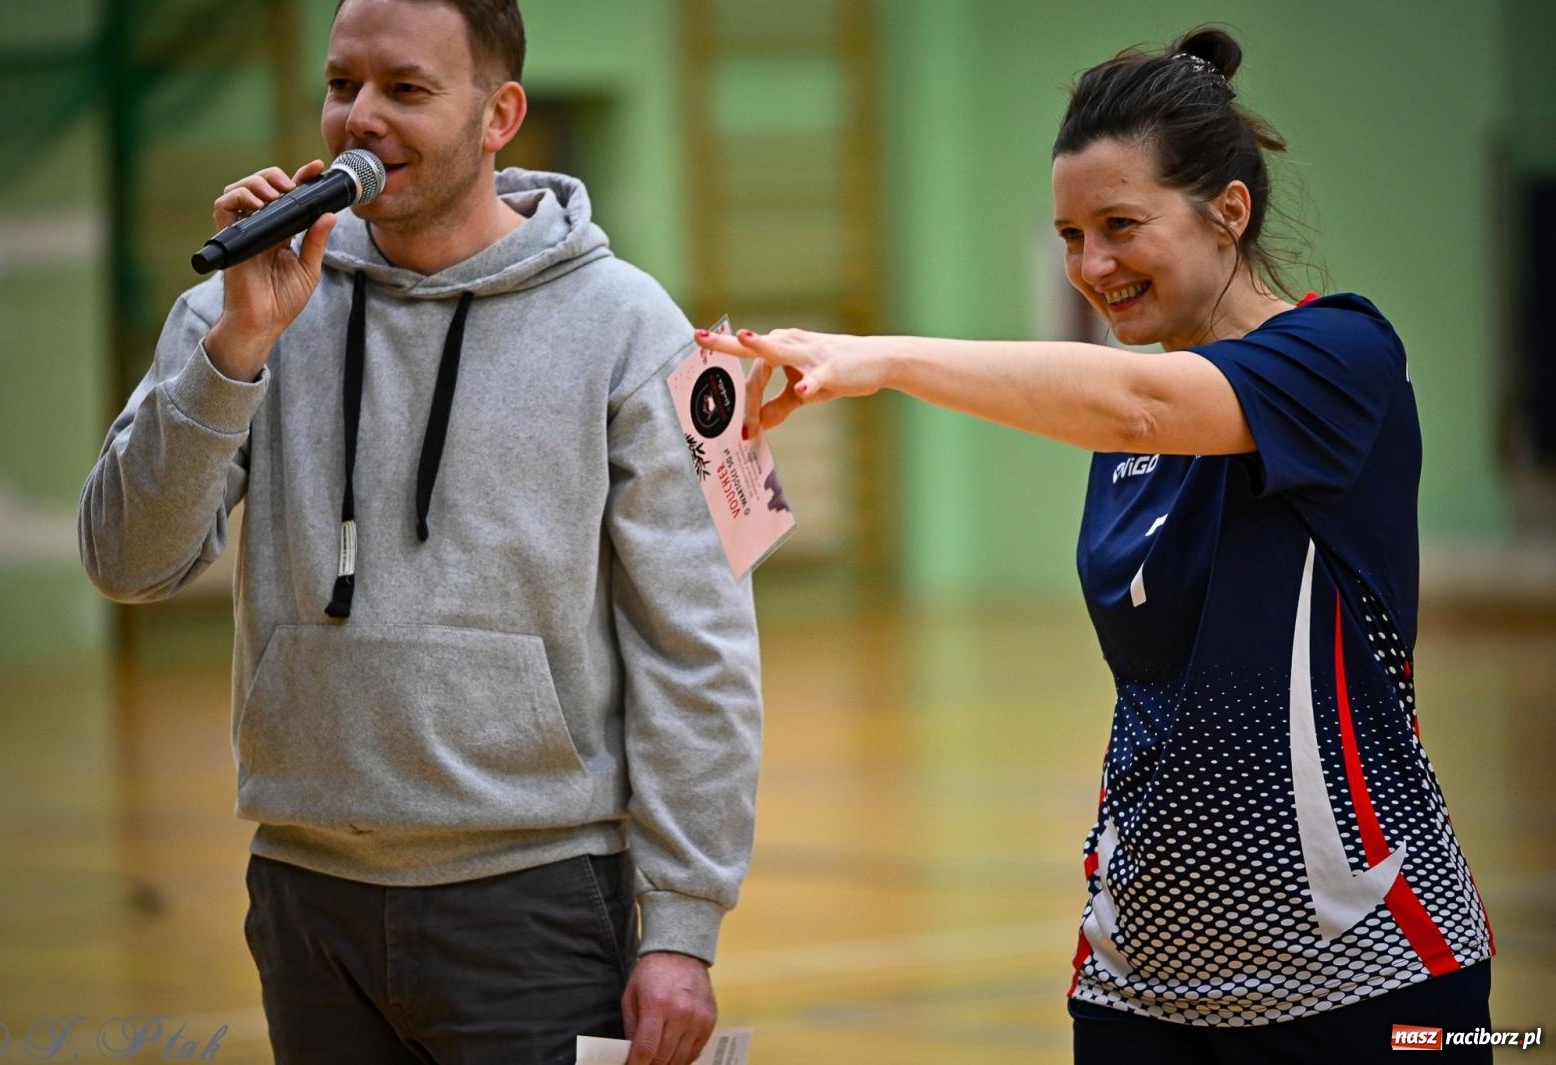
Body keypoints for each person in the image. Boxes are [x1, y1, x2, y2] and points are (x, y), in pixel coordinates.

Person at [698, 26, 1494, 1064]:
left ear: (1228, 213)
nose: (1091, 266)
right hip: (1139, 981)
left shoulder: (1342, 356)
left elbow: (1142, 406)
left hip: (1370, 975)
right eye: (1070, 236)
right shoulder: (1122, 437)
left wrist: (879, 357)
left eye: (1119, 225)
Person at [78, 1, 762, 1062]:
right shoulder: (243, 304)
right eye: (341, 83)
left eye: (405, 89)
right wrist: (239, 349)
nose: (360, 118)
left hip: (534, 899)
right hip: (305, 889)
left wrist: (683, 926)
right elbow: (124, 563)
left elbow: (704, 645)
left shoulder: (643, 328)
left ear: (500, 115)